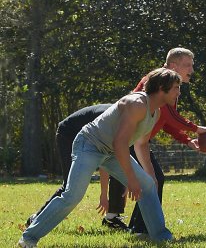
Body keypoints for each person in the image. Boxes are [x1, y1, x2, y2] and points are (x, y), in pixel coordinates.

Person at [18, 68, 179, 247]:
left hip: (110, 152)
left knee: (148, 185)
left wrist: (147, 176)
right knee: (73, 195)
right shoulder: (137, 104)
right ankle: (29, 238)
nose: (179, 93)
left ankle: (161, 237)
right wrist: (131, 179)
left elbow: (140, 144)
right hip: (89, 145)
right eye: (175, 88)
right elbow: (120, 143)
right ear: (161, 88)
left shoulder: (154, 112)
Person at [104, 47, 206, 234]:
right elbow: (170, 115)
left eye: (192, 65)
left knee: (152, 180)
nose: (192, 70)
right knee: (152, 181)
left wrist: (187, 140)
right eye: (187, 65)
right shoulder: (157, 81)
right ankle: (140, 228)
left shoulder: (170, 85)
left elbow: (165, 120)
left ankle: (138, 227)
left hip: (138, 141)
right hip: (127, 140)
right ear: (173, 65)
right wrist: (196, 129)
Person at [24, 104, 130, 231]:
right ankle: (36, 219)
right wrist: (103, 195)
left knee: (118, 166)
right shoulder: (115, 119)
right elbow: (104, 161)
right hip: (68, 133)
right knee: (70, 185)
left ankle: (112, 217)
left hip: (86, 136)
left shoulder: (127, 117)